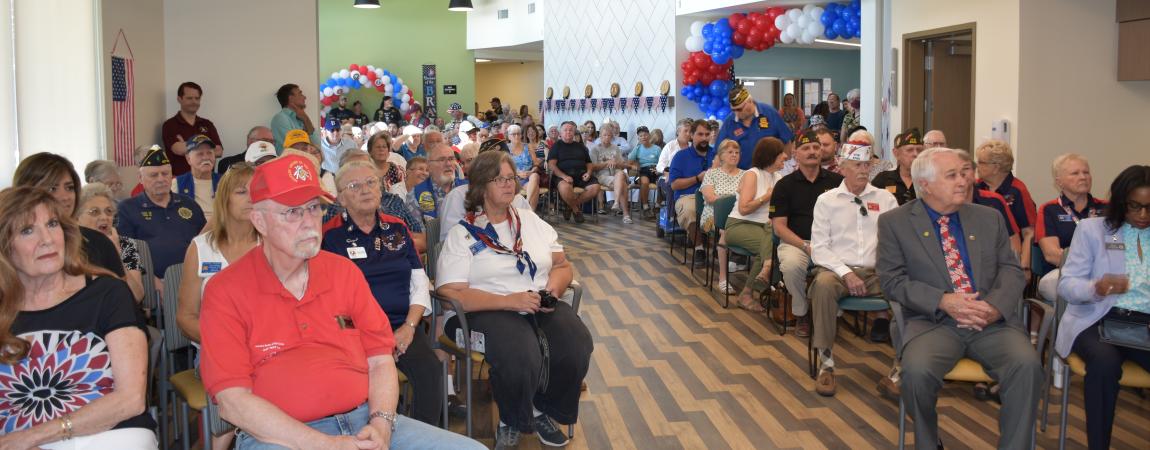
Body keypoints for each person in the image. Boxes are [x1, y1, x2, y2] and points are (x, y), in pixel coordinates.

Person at [199, 155, 482, 450]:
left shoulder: (343, 272)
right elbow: (232, 402)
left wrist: (382, 424)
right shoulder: (226, 290)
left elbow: (380, 359)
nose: (309, 222)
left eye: (313, 208)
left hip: (364, 421)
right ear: (259, 220)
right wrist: (325, 444)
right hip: (280, 435)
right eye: (293, 212)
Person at [876, 147, 1043, 450]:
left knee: (1027, 366)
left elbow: (1011, 269)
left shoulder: (988, 217)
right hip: (933, 322)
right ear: (924, 184)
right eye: (952, 175)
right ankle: (929, 442)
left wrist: (994, 307)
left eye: (964, 173)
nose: (964, 181)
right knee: (916, 373)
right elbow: (892, 281)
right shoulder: (895, 222)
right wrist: (943, 300)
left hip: (990, 321)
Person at [436, 150, 593, 449]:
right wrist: (510, 301)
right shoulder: (464, 234)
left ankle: (544, 409)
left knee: (576, 342)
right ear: (481, 187)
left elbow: (561, 265)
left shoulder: (530, 221)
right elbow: (450, 296)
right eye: (499, 179)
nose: (509, 184)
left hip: (534, 301)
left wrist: (552, 293)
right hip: (484, 308)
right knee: (519, 352)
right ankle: (512, 418)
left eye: (511, 178)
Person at [0, 186, 156, 449]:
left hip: (109, 433)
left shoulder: (107, 293)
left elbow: (131, 399)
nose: (47, 239)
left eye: (52, 224)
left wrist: (35, 436)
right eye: (27, 230)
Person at [321, 160, 442, 427]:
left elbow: (419, 281)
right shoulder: (329, 237)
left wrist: (410, 327)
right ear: (341, 198)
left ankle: (424, 440)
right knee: (368, 382)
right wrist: (376, 338)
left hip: (402, 326)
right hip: (356, 332)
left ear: (381, 187)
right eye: (354, 186)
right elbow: (330, 299)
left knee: (431, 371)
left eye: (370, 182)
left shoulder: (397, 227)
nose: (365, 190)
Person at [1056, 165, 1150, 450]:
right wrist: (1095, 287)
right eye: (1135, 206)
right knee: (1105, 364)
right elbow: (1066, 284)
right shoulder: (1094, 230)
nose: (1143, 215)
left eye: (1149, 207)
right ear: (1121, 202)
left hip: (1143, 323)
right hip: (1097, 319)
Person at [808, 142, 899, 396]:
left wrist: (889, 269)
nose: (863, 170)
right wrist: (845, 272)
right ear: (842, 168)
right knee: (823, 286)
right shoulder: (827, 201)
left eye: (867, 165)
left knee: (905, 290)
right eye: (857, 165)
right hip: (837, 271)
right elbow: (819, 248)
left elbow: (897, 241)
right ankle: (826, 365)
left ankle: (899, 370)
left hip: (877, 272)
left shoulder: (886, 199)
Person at [769, 130, 844, 337]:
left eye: (816, 147)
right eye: (806, 148)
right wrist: (805, 246)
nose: (812, 151)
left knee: (841, 265)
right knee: (792, 266)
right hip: (797, 243)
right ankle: (801, 313)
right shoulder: (784, 185)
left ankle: (830, 312)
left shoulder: (838, 183)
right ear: (795, 154)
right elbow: (779, 227)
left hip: (831, 243)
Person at [13, 153, 126, 278]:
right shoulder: (10, 244)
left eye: (69, 188)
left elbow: (127, 292)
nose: (65, 197)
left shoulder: (99, 242)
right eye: (52, 189)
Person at [117, 146, 207, 291]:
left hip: (194, 279)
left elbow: (205, 243)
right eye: (154, 175)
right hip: (151, 283)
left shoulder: (189, 204)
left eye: (165, 174)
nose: (161, 179)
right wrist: (152, 282)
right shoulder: (127, 209)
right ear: (140, 178)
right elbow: (126, 254)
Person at [1035, 154, 1108, 303]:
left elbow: (1116, 243)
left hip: (1103, 272)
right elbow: (1051, 254)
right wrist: (1087, 265)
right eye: (1075, 173)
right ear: (1059, 182)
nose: (1083, 177)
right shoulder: (1050, 209)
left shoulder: (1107, 208)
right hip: (1064, 273)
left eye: (1086, 172)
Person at [726, 137, 787, 311]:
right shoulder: (752, 174)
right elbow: (744, 209)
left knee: (771, 242)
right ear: (771, 156)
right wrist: (766, 197)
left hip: (765, 228)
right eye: (781, 153)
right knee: (769, 248)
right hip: (739, 225)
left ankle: (764, 282)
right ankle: (748, 293)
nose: (785, 156)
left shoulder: (778, 177)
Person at [976, 139, 1038, 276]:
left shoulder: (1018, 190)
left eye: (981, 162)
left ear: (996, 167)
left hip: (1010, 254)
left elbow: (1029, 233)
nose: (977, 166)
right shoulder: (975, 187)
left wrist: (1024, 266)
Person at [77, 183, 146, 302]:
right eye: (94, 212)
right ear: (76, 217)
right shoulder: (70, 245)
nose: (104, 217)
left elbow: (136, 296)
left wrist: (116, 252)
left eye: (109, 211)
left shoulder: (125, 244)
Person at [699, 140, 745, 294]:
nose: (734, 155)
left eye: (737, 152)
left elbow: (748, 199)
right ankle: (723, 279)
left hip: (739, 215)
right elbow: (710, 198)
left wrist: (730, 199)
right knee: (724, 230)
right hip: (712, 216)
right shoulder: (711, 174)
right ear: (721, 156)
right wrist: (734, 198)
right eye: (730, 152)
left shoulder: (745, 175)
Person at [716, 81, 794, 170]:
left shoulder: (769, 113)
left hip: (769, 171)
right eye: (733, 110)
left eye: (739, 109)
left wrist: (785, 167)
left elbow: (787, 140)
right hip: (741, 173)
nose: (736, 114)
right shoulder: (730, 121)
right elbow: (719, 152)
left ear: (750, 101)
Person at [669, 120, 718, 259]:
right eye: (700, 134)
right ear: (691, 135)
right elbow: (674, 185)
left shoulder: (717, 155)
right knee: (691, 210)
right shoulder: (680, 156)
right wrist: (697, 178)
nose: (704, 138)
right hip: (687, 196)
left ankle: (718, 246)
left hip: (713, 196)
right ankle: (699, 248)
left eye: (707, 134)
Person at [162, 81, 224, 176]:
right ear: (179, 99)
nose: (194, 102)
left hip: (207, 180)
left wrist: (187, 146)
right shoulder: (170, 125)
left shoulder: (207, 124)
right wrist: (208, 148)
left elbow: (219, 151)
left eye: (197, 98)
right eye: (189, 98)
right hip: (180, 182)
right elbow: (178, 149)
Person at [549, 121, 600, 224]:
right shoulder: (556, 146)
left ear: (574, 132)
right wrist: (564, 176)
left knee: (595, 188)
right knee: (565, 188)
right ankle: (576, 210)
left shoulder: (581, 146)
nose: (568, 132)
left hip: (582, 175)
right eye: (565, 130)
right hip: (563, 176)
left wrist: (589, 173)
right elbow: (551, 165)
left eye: (571, 130)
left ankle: (570, 206)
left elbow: (589, 163)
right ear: (561, 133)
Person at [589, 124, 632, 223]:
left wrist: (615, 163)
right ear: (600, 136)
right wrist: (606, 163)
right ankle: (626, 215)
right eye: (604, 135)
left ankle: (616, 202)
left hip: (616, 173)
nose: (607, 137)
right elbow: (593, 167)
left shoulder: (615, 148)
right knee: (623, 185)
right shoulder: (595, 149)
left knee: (620, 174)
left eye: (609, 135)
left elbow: (621, 165)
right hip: (602, 175)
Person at [172, 134, 222, 220]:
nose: (206, 157)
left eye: (209, 153)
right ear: (188, 159)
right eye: (200, 154)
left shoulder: (224, 181)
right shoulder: (177, 183)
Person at [413, 142, 468, 219]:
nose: (448, 164)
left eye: (451, 159)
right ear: (429, 165)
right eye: (442, 160)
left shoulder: (469, 188)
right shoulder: (415, 193)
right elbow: (416, 230)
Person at [871, 129, 925, 206]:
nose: (915, 154)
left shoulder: (929, 179)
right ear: (896, 153)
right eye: (910, 150)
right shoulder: (883, 179)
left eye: (919, 150)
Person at [270, 83, 319, 153]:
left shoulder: (302, 118)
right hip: (290, 163)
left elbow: (317, 146)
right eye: (300, 94)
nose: (304, 97)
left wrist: (306, 119)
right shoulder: (280, 119)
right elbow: (297, 148)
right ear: (291, 98)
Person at [507, 125, 543, 210]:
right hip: (513, 178)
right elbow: (503, 167)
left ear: (521, 135)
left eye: (518, 134)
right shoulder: (505, 148)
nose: (516, 136)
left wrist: (530, 172)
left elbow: (536, 165)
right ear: (509, 136)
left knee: (535, 176)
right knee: (536, 189)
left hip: (529, 177)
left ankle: (526, 203)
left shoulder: (528, 146)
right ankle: (531, 213)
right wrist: (517, 173)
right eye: (513, 134)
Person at [629, 126, 662, 216]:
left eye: (645, 135)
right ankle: (645, 207)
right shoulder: (637, 149)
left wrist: (658, 169)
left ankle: (657, 205)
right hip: (643, 171)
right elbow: (629, 162)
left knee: (662, 181)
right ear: (638, 138)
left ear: (649, 136)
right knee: (644, 182)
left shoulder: (657, 149)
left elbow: (662, 163)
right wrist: (634, 166)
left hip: (655, 169)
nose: (643, 137)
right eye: (641, 135)